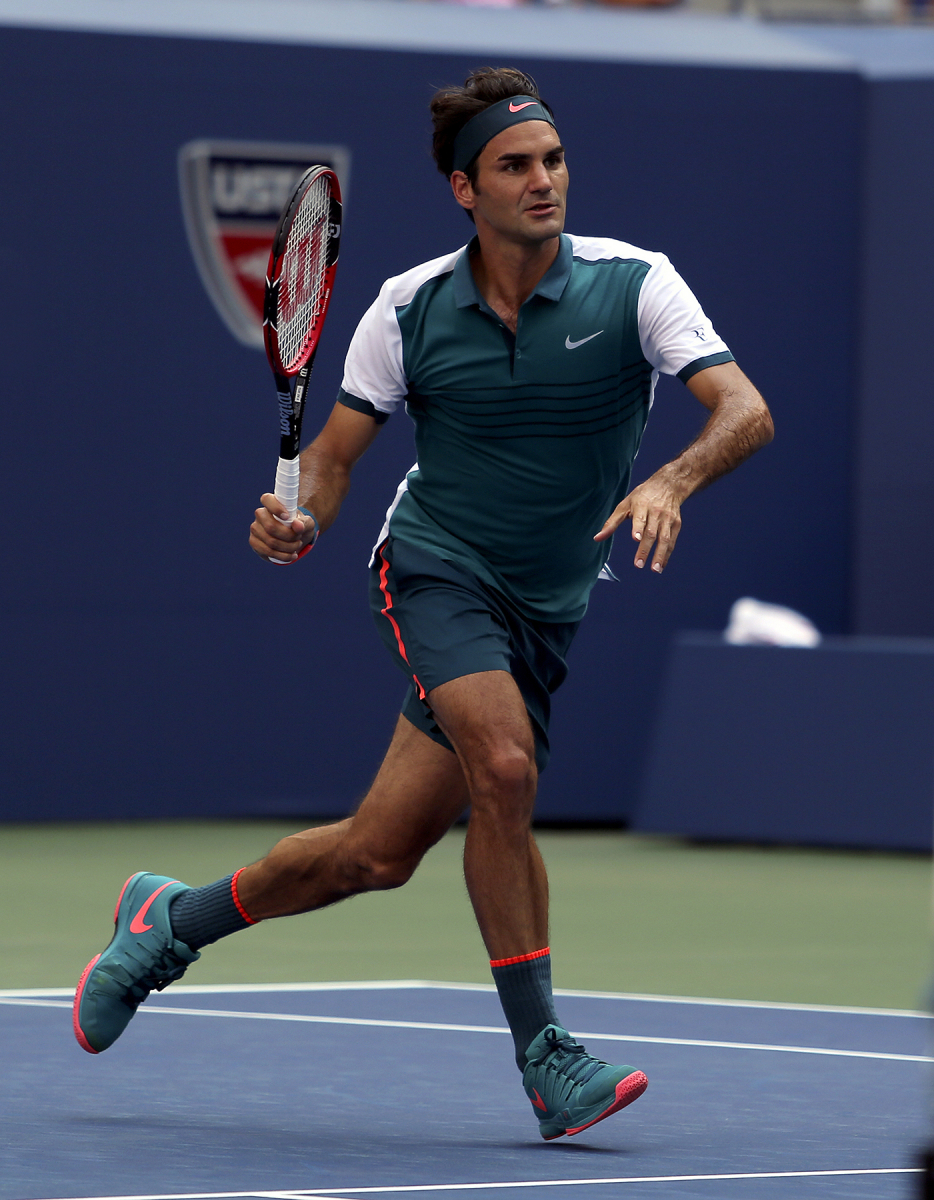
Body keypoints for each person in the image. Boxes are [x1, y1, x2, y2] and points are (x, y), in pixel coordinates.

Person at [74, 67, 773, 1141]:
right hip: (435, 566)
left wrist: (672, 478)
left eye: (551, 160)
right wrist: (296, 514)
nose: (542, 181)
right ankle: (548, 1058)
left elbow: (745, 410)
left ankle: (169, 923)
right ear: (465, 188)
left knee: (376, 854)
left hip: (547, 605)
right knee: (502, 770)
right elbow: (338, 459)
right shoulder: (406, 306)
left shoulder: (638, 284)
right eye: (514, 166)